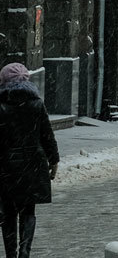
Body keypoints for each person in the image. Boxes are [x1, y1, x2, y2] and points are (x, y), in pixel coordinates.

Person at [0, 62, 59, 258]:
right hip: (33, 164)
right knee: (28, 211)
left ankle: (11, 254)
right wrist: (54, 160)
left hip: (6, 166)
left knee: (8, 213)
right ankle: (25, 251)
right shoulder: (36, 104)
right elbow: (47, 135)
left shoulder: (1, 105)